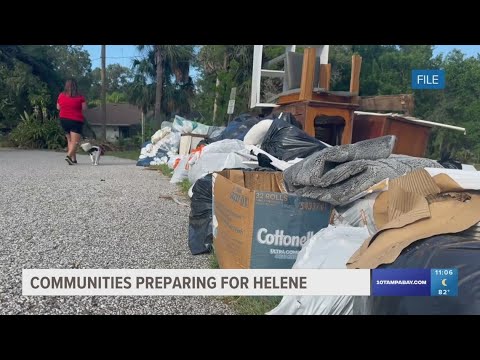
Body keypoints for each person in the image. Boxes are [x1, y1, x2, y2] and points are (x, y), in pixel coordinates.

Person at [57, 79, 87, 165]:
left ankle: (74, 159)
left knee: (69, 140)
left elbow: (58, 107)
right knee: (75, 142)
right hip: (76, 120)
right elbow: (84, 108)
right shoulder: (80, 97)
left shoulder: (61, 95)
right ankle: (69, 156)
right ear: (75, 86)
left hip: (63, 120)